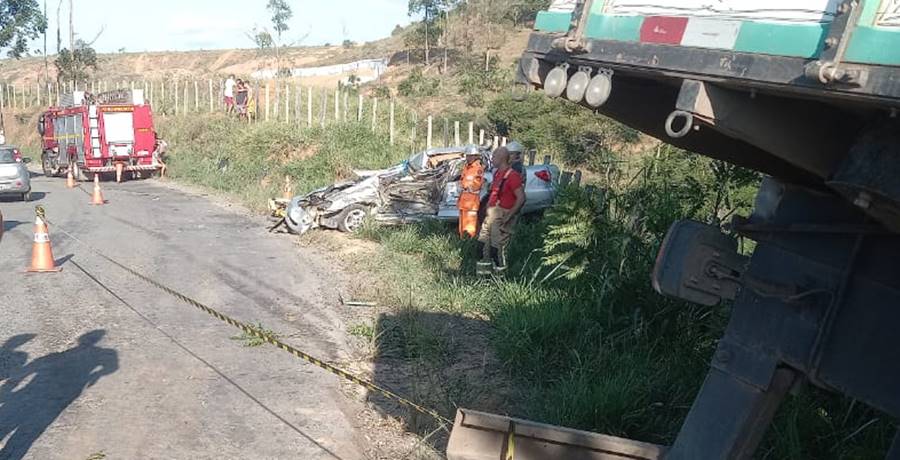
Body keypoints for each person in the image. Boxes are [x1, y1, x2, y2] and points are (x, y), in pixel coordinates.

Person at [477, 147, 525, 275]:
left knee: (497, 249)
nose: (491, 160)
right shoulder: (498, 173)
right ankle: (484, 275)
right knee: (482, 244)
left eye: (493, 157)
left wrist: (509, 216)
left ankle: (500, 278)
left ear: (501, 158)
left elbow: (521, 198)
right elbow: (494, 193)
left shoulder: (512, 176)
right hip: (491, 215)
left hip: (502, 215)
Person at [458, 146, 485, 238]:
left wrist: (468, 187)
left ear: (475, 157)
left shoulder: (478, 169)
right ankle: (462, 241)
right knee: (462, 226)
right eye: (467, 156)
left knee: (470, 227)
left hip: (471, 203)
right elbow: (462, 181)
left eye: (470, 156)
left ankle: (469, 244)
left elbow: (477, 184)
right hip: (463, 202)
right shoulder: (466, 168)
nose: (468, 158)